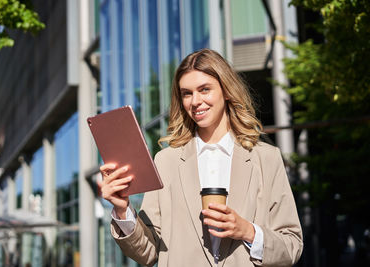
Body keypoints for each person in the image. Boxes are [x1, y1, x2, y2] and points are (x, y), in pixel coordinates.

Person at [98, 48, 303, 266]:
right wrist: (122, 209)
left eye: (204, 89)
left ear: (226, 90)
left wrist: (248, 231)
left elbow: (292, 246)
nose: (195, 101)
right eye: (187, 93)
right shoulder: (166, 161)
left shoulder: (266, 158)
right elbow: (148, 252)